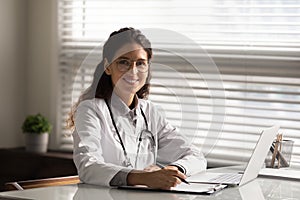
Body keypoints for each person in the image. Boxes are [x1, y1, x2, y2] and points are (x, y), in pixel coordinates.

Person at [68, 27, 207, 190]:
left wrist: (171, 171)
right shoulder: (91, 110)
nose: (133, 71)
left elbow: (197, 157)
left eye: (140, 63)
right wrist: (143, 177)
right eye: (123, 62)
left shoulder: (151, 112)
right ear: (107, 66)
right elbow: (88, 167)